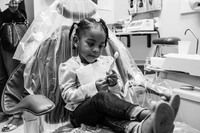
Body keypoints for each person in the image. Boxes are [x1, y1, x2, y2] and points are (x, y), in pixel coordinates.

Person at [58, 17, 180, 133]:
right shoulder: (69, 66)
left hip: (103, 111)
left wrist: (114, 84)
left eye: (100, 46)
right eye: (90, 44)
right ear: (76, 41)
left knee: (109, 117)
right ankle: (147, 114)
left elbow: (118, 91)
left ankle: (141, 128)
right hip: (80, 114)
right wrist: (93, 87)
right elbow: (68, 96)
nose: (96, 50)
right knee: (101, 96)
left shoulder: (106, 62)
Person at [0, 0, 26, 132]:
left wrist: (13, 12)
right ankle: (5, 110)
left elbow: (23, 17)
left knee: (13, 76)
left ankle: (17, 114)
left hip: (9, 38)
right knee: (1, 77)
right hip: (3, 38)